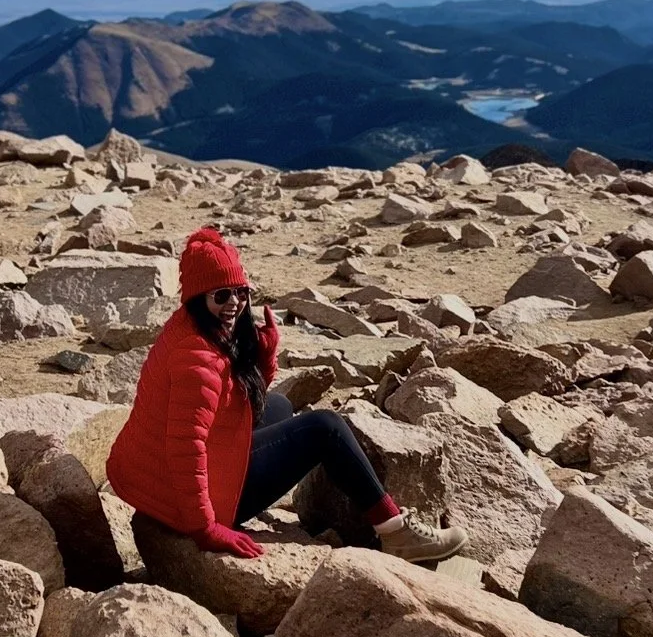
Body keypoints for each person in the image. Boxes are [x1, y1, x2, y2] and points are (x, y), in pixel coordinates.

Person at [107, 226, 467, 564]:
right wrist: (206, 528)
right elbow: (185, 447)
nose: (234, 303)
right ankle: (396, 531)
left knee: (278, 405)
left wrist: (264, 357)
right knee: (324, 428)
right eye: (222, 295)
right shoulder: (195, 359)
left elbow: (232, 401)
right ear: (198, 298)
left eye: (241, 292)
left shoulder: (192, 325)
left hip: (154, 474)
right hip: (178, 496)